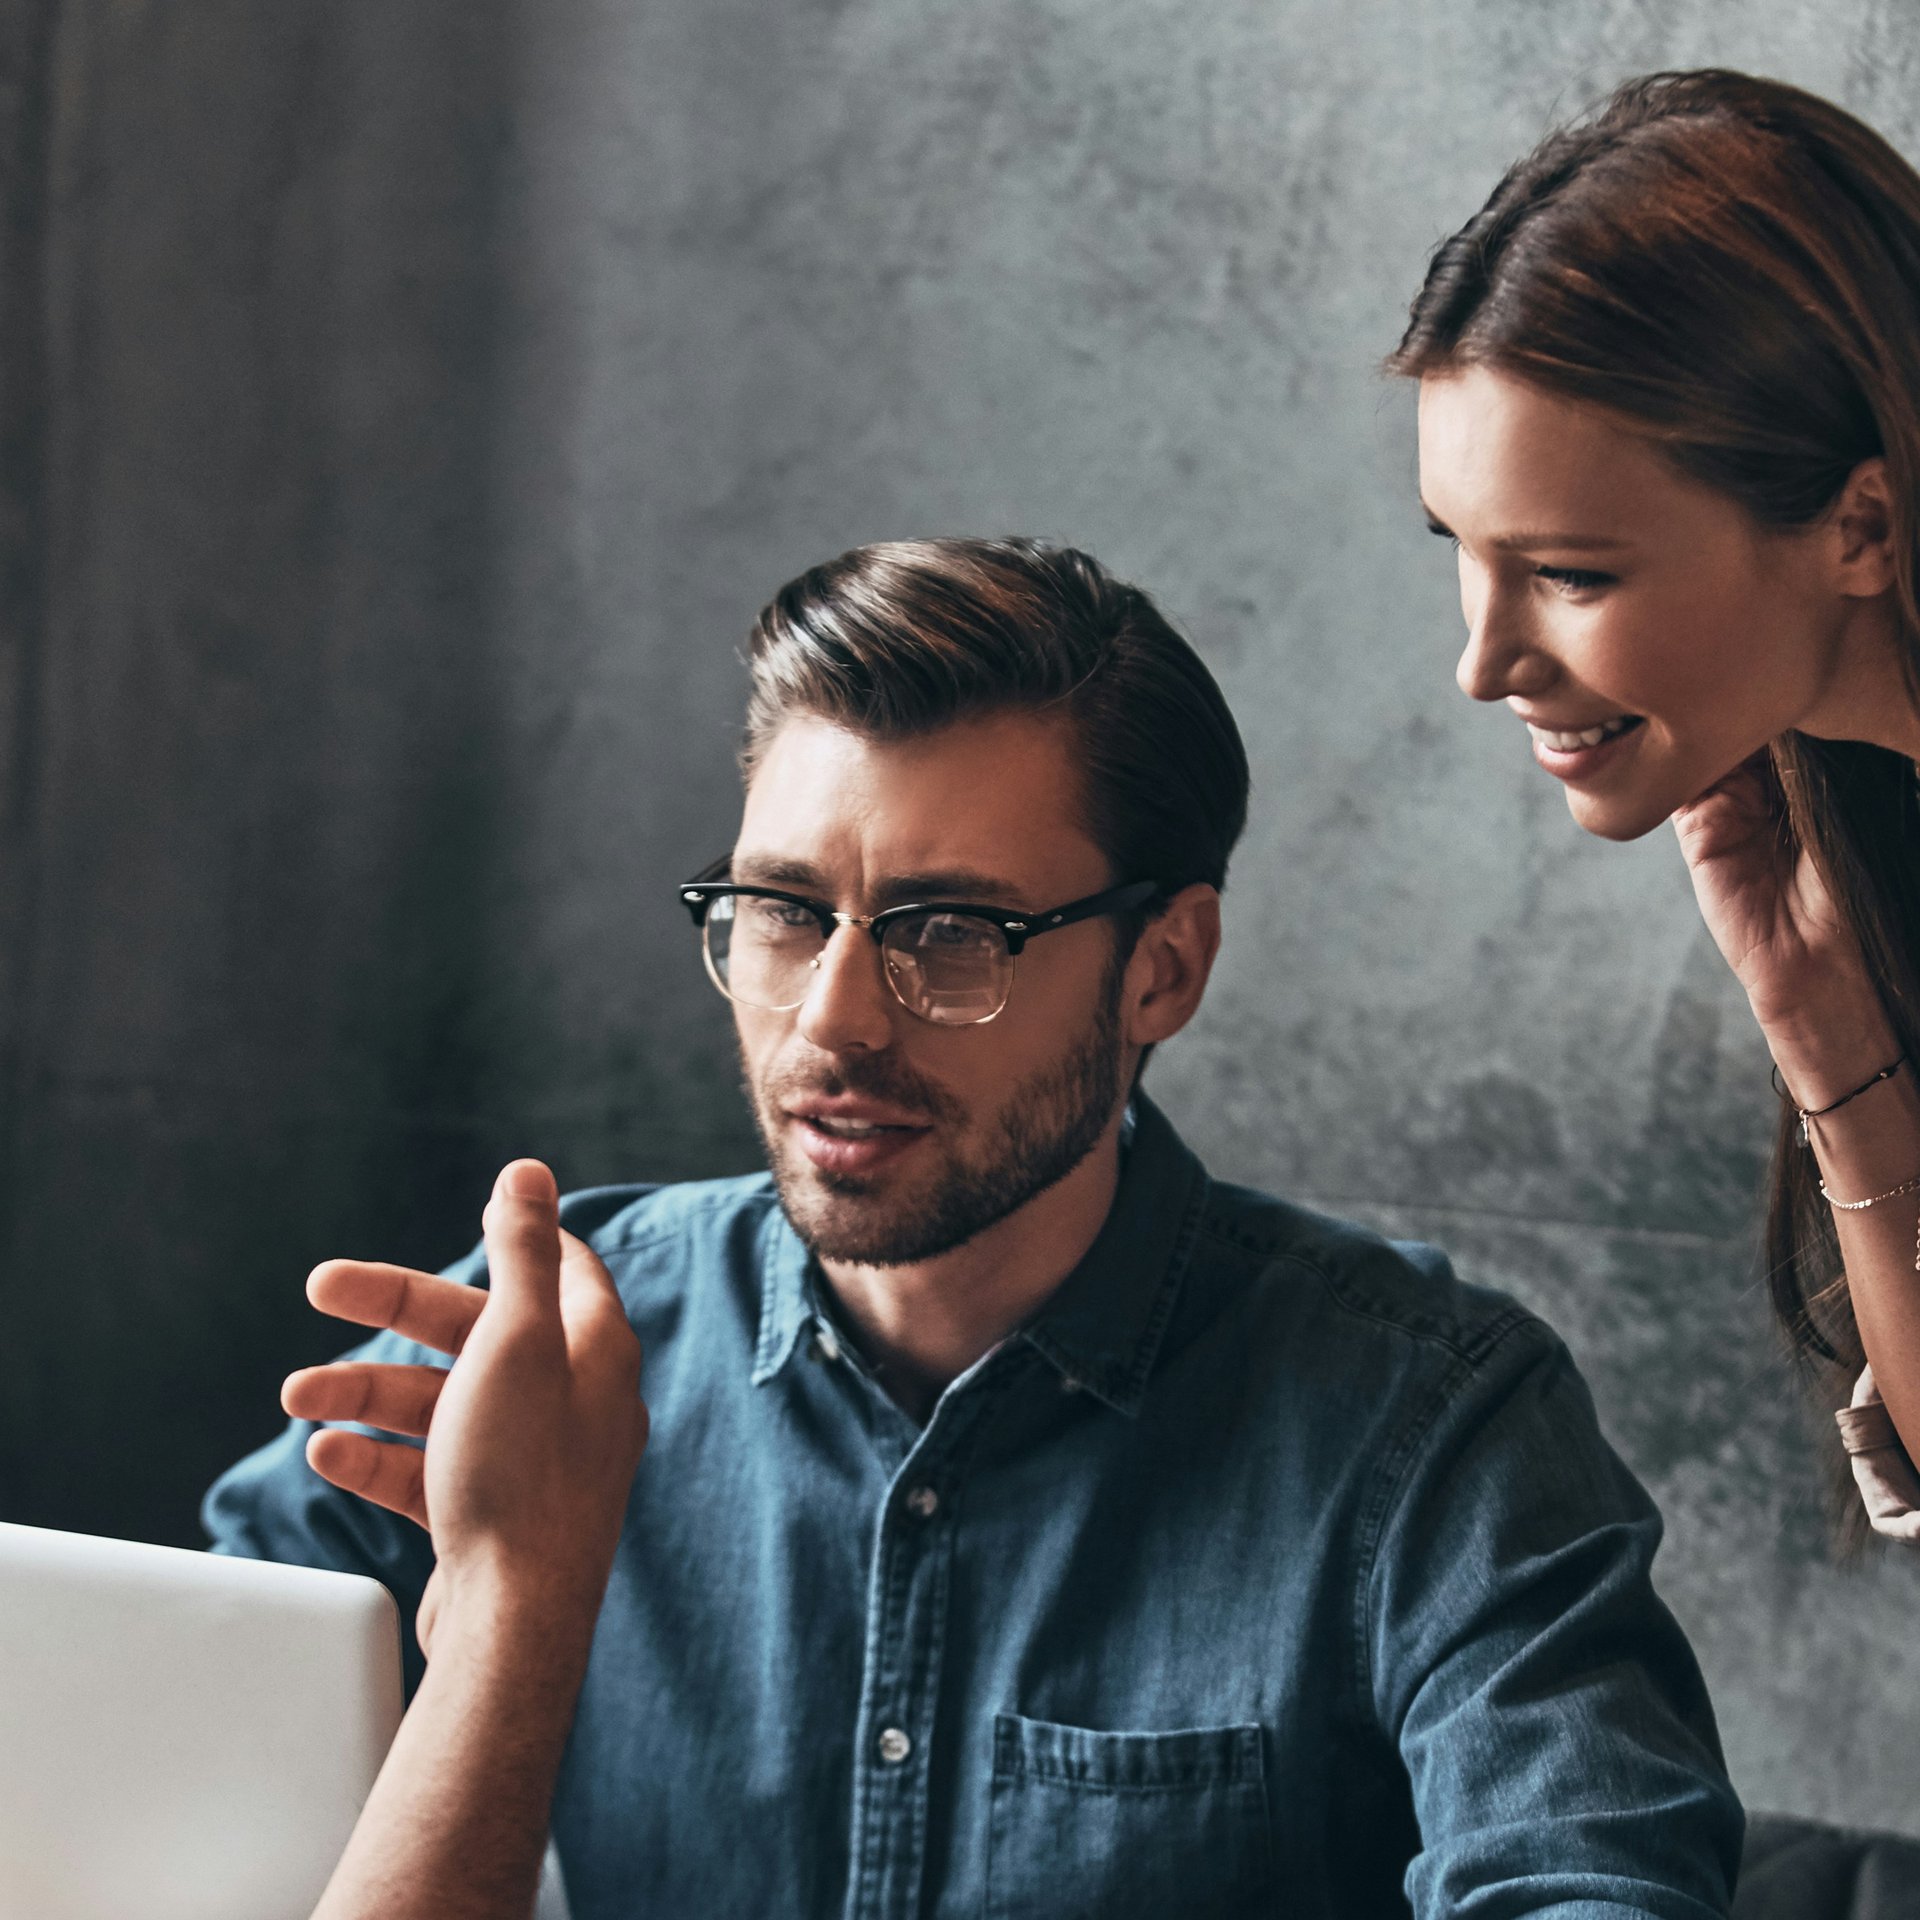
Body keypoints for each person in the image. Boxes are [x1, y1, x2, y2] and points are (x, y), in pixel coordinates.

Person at [208, 538, 1742, 1918]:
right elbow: (160, 1776)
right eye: (784, 910)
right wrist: (505, 1610)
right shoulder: (552, 1347)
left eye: (955, 936)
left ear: (1164, 970)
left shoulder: (1430, 1426)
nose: (834, 1020)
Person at [1391, 68, 1920, 1542]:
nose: (1483, 663)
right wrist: (1825, 1031)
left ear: (1860, 525)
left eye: (1571, 573)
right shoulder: (1850, 853)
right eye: (1463, 548)